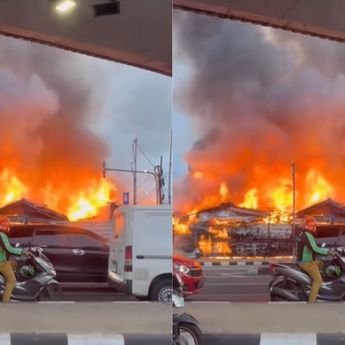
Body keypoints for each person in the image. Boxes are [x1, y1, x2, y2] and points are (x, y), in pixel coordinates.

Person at [297, 216, 335, 303]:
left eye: (313, 225)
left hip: (304, 260)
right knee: (318, 280)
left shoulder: (301, 234)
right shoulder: (308, 235)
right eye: (311, 225)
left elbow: (311, 247)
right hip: (306, 263)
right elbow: (315, 249)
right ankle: (311, 302)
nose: (313, 226)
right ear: (306, 225)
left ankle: (321, 286)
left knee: (321, 263)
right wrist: (328, 251)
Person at [0, 216, 25, 303]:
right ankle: (6, 302)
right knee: (12, 280)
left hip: (4, 261)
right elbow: (9, 249)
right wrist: (22, 251)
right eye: (6, 224)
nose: (8, 226)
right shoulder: (2, 235)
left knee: (14, 263)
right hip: (1, 263)